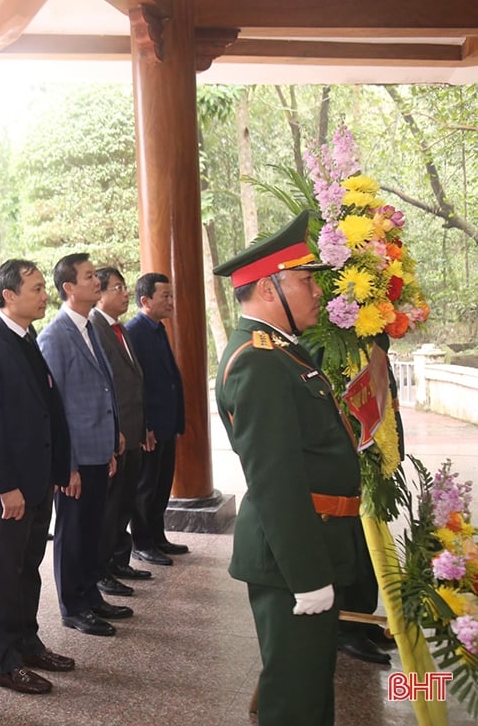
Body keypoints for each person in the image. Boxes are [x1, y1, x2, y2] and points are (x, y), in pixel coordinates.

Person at [213, 210, 363, 726]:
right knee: (293, 698)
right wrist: (307, 577)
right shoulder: (258, 361)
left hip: (313, 539)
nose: (317, 292)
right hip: (293, 554)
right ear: (270, 288)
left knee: (312, 684)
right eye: (305, 280)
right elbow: (275, 480)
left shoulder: (281, 353)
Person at [0, 259, 73, 696]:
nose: (45, 294)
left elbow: (47, 409)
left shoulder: (25, 339)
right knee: (5, 574)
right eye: (37, 287)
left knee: (28, 568)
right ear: (9, 295)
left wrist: (58, 470)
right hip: (5, 488)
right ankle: (3, 661)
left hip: (35, 479)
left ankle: (27, 643)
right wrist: (7, 486)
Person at [38, 254, 130, 637]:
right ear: (68, 288)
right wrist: (68, 465)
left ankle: (91, 595)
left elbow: (104, 387)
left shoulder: (90, 327)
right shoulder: (54, 336)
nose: (98, 282)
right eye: (90, 277)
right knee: (73, 532)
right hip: (77, 455)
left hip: (99, 446)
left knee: (93, 528)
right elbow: (55, 409)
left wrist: (113, 436)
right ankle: (72, 606)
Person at [89, 267, 153, 597]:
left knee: (124, 502)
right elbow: (103, 386)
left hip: (132, 431)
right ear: (98, 293)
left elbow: (133, 383)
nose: (125, 293)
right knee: (109, 507)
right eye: (117, 288)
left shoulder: (120, 329)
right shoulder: (95, 328)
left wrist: (142, 428)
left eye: (125, 287)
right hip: (113, 435)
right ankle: (101, 571)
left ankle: (118, 559)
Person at [124, 272, 189, 566]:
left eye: (171, 295)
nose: (171, 302)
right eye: (165, 296)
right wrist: (145, 425)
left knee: (162, 484)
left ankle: (158, 536)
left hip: (166, 422)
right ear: (145, 300)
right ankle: (142, 541)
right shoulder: (134, 332)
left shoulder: (157, 328)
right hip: (149, 427)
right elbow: (136, 385)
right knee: (146, 487)